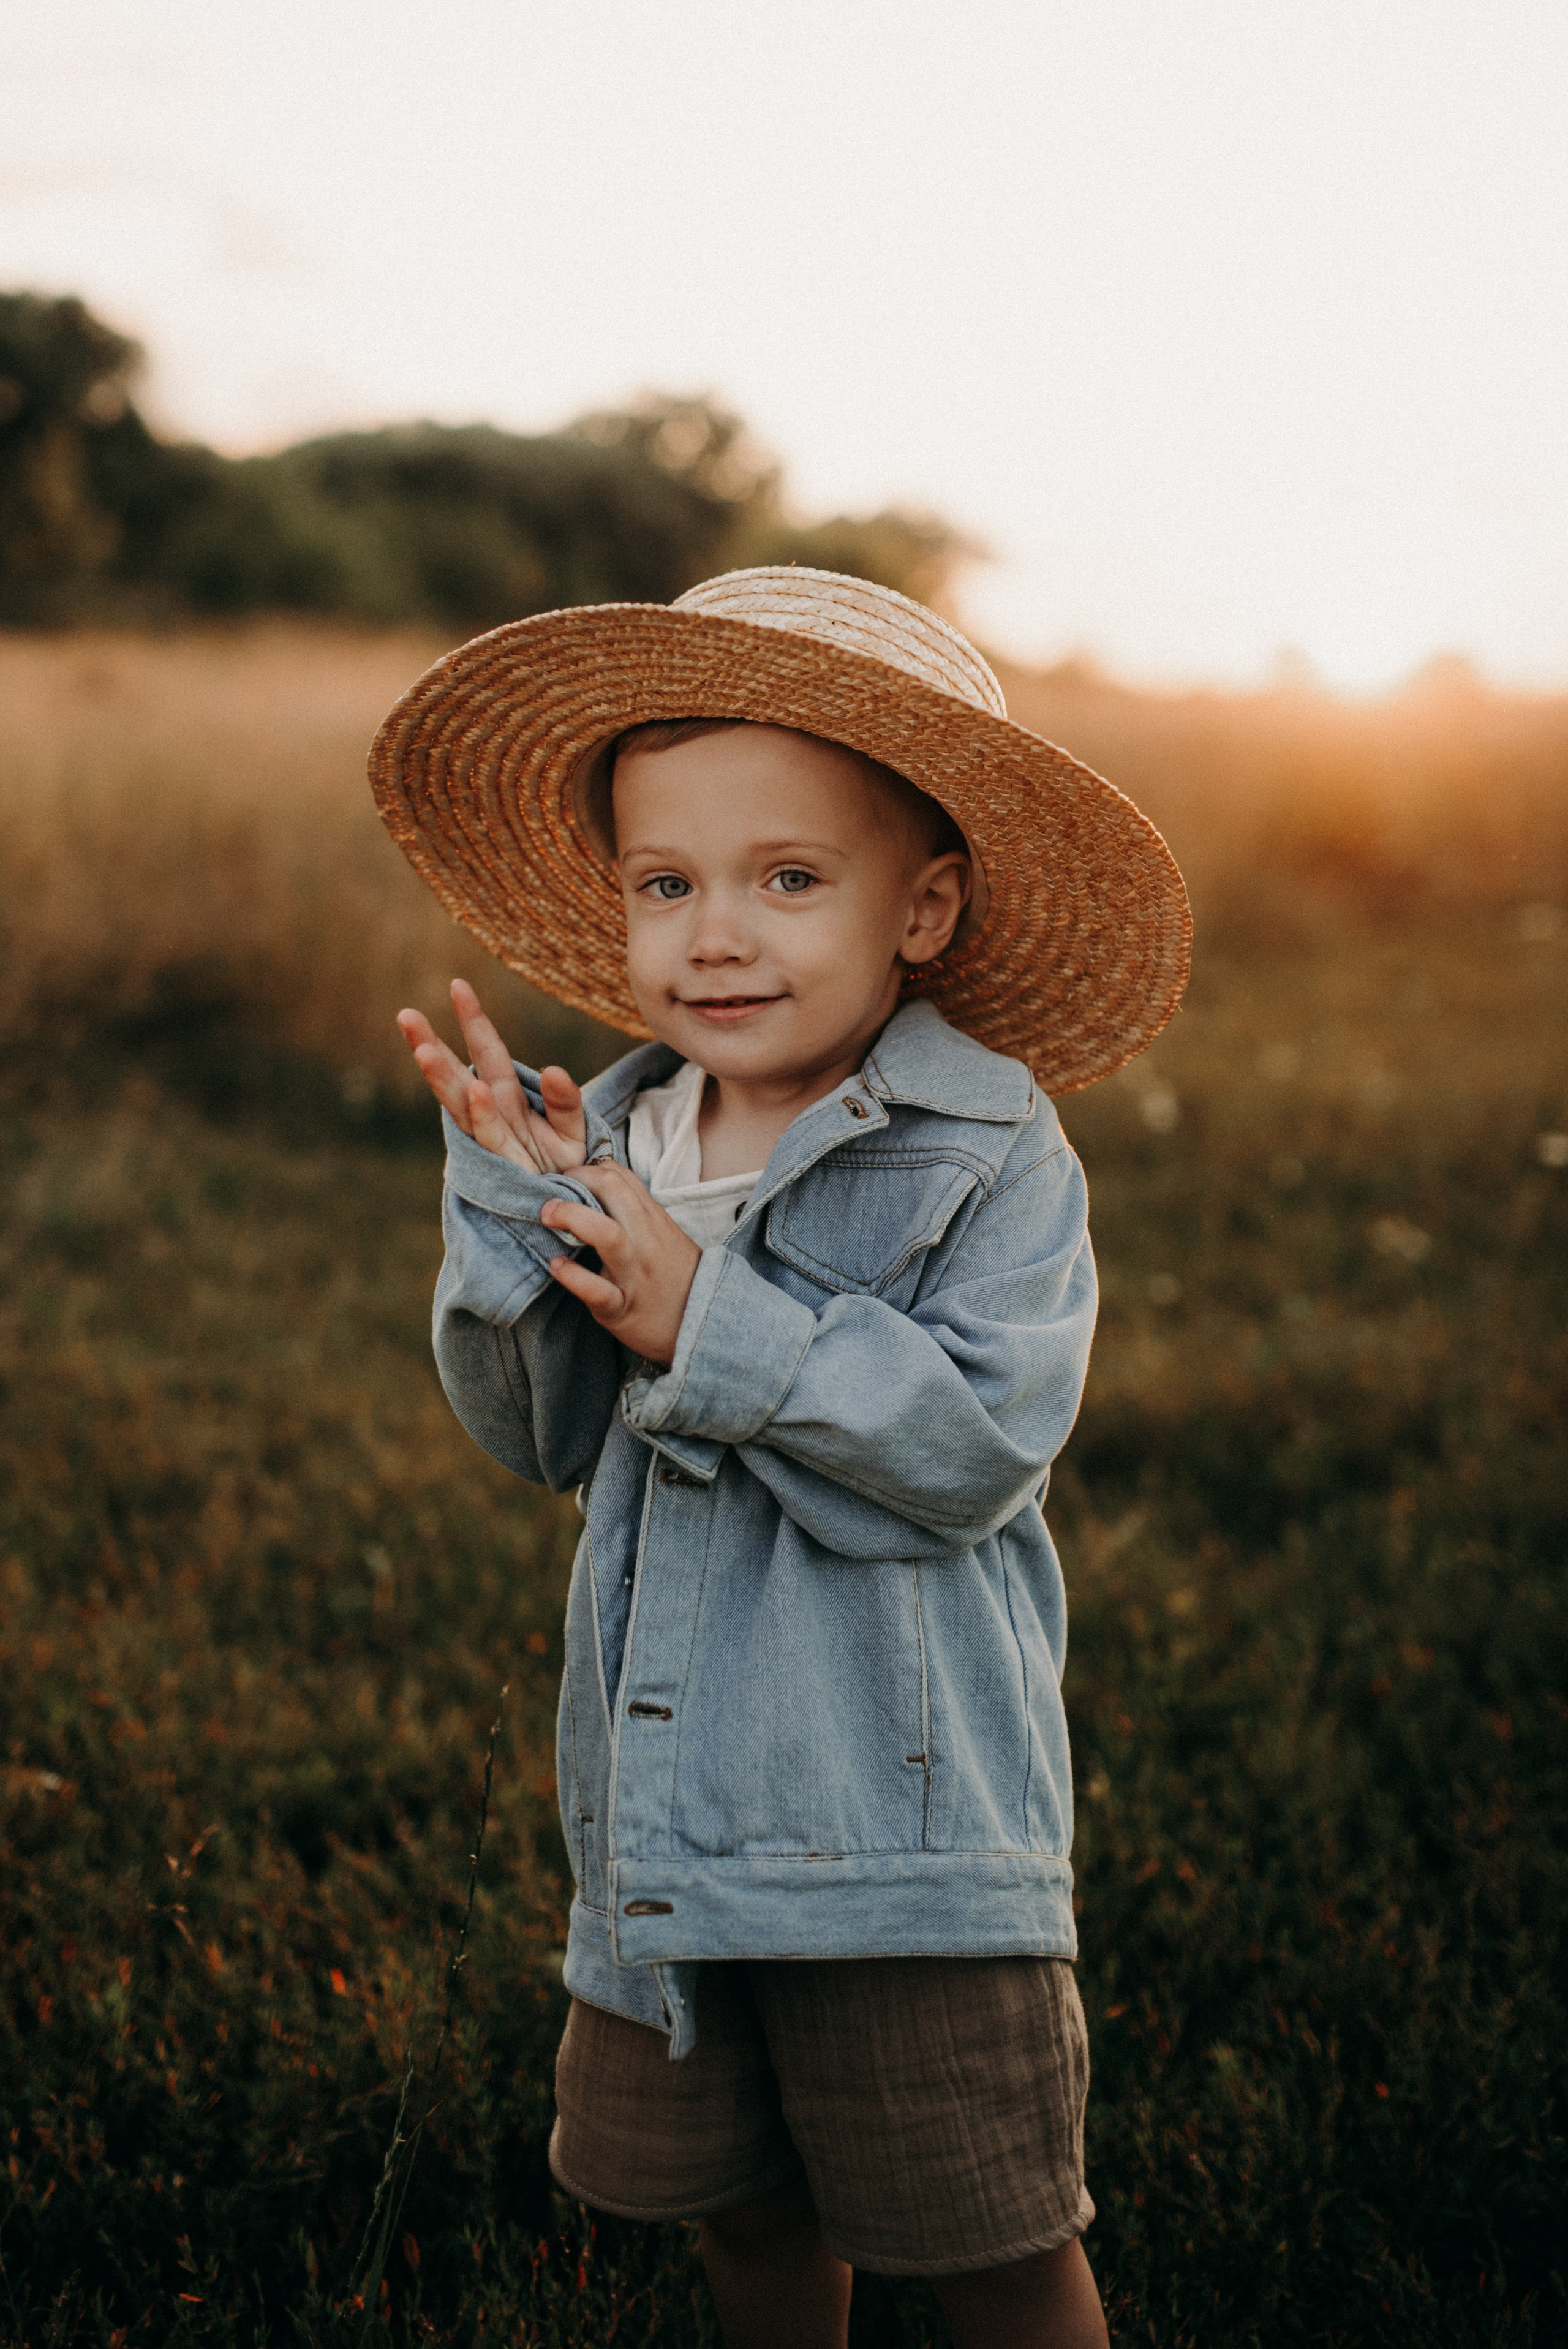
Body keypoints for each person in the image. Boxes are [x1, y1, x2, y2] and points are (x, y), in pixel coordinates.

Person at [371, 567, 1189, 2348]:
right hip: (669, 1825)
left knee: (985, 2236)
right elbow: (540, 1433)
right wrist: (515, 1206)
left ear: (926, 905)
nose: (714, 934)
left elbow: (973, 1449)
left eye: (788, 878)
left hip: (899, 1834)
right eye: (669, 883)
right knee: (744, 2211)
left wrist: (708, 1319)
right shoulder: (640, 1132)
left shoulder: (991, 1155)